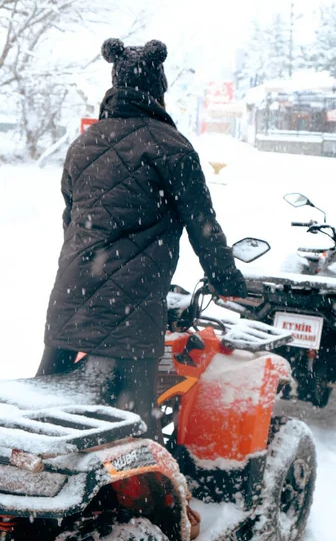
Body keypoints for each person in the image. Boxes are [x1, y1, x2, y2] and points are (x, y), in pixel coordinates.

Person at [38, 38, 247, 442]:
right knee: (137, 434)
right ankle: (149, 507)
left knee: (45, 424)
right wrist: (226, 279)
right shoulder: (172, 148)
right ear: (159, 90)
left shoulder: (84, 144)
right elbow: (203, 225)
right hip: (133, 309)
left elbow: (72, 219)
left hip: (70, 298)